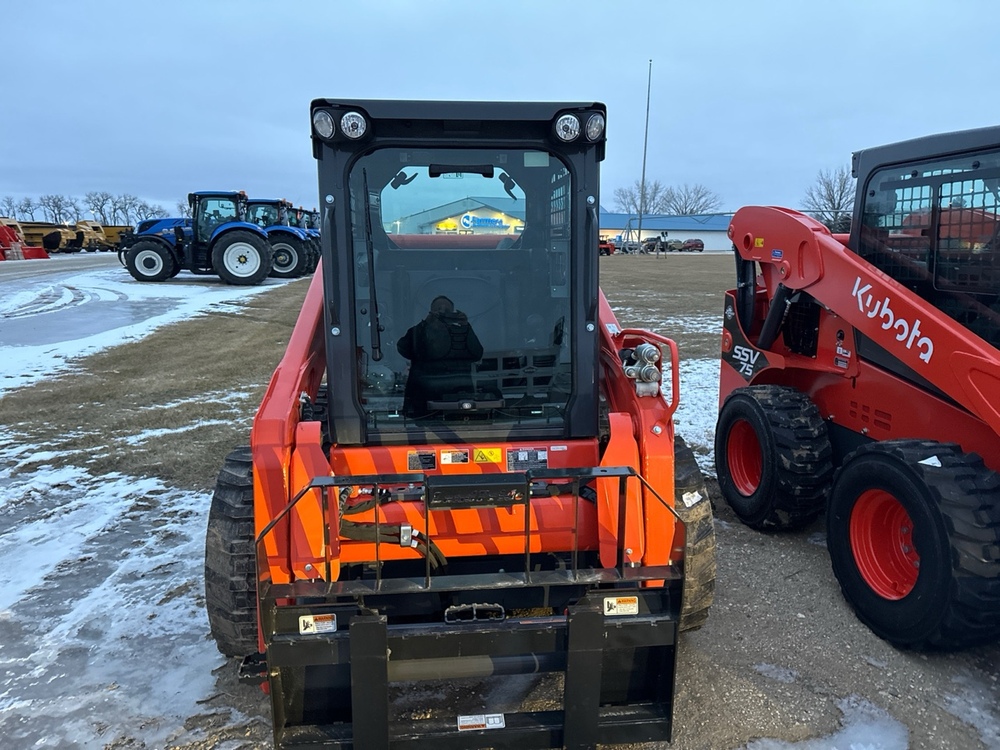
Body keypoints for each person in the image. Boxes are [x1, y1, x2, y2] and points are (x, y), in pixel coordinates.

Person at [397, 296, 484, 416]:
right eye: (438, 309)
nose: (442, 313)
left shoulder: (461, 333)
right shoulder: (420, 333)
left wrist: (465, 326)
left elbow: (476, 353)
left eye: (447, 311)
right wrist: (425, 323)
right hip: (422, 400)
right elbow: (403, 348)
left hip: (457, 399)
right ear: (431, 312)